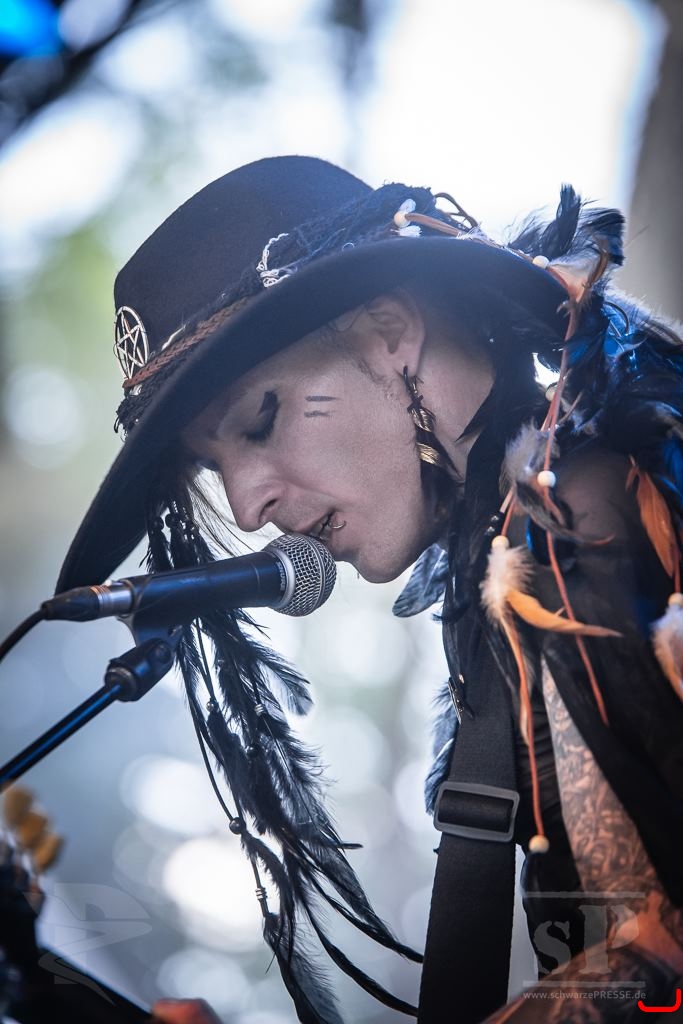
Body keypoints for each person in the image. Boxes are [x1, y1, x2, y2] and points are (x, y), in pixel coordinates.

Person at [56, 156, 683, 1022]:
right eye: (212, 468)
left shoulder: (592, 516)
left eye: (261, 418)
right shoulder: (504, 575)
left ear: (390, 331)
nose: (244, 506)